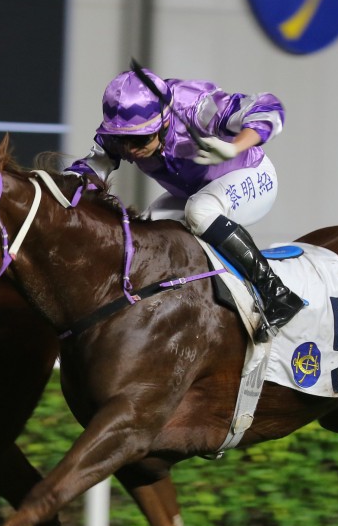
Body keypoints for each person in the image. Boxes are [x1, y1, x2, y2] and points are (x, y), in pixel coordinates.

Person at [70, 67, 305, 341]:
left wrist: (234, 146)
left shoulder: (196, 107)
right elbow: (90, 169)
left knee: (200, 211)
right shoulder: (120, 131)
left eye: (141, 139)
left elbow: (270, 108)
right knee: (146, 231)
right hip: (194, 192)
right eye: (123, 141)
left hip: (250, 176)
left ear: (166, 122)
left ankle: (277, 293)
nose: (131, 149)